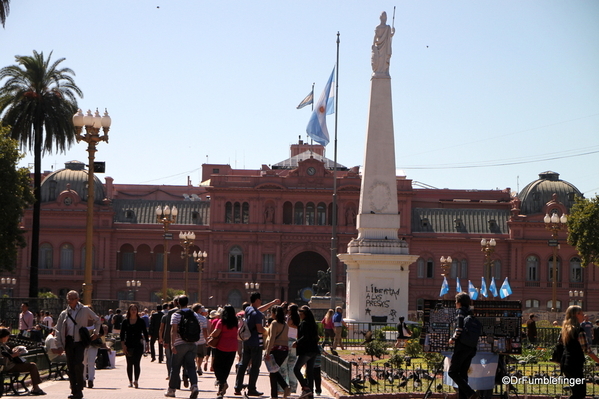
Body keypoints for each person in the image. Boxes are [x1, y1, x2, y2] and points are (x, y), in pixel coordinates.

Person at [55, 290, 102, 399]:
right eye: (69, 299)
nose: (70, 301)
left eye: (73, 298)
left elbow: (97, 320)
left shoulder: (84, 310)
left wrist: (95, 333)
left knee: (78, 365)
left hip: (80, 342)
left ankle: (79, 390)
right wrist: (59, 344)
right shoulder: (64, 313)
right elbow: (58, 329)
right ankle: (73, 390)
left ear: (77, 299)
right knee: (70, 367)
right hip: (69, 342)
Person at [560, 305, 599, 399]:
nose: (583, 315)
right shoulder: (579, 330)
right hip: (575, 364)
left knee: (576, 392)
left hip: (566, 363)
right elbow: (587, 350)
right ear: (576, 315)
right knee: (580, 393)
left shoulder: (565, 329)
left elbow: (560, 344)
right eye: (581, 314)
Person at [165, 295, 200, 399]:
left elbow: (174, 330)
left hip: (180, 344)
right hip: (192, 344)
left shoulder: (176, 314)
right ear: (188, 302)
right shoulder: (194, 314)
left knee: (175, 367)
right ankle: (194, 386)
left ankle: (171, 390)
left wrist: (173, 344)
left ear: (178, 303)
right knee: (191, 366)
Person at [235, 292, 266, 396]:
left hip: (246, 341)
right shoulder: (257, 315)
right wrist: (266, 331)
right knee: (255, 366)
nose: (261, 302)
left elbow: (259, 310)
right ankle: (252, 388)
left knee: (243, 364)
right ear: (257, 300)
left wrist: (271, 303)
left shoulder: (248, 309)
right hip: (256, 342)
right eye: (260, 300)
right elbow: (259, 329)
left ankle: (238, 387)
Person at [448, 292, 478, 399]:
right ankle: (464, 397)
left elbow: (459, 328)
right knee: (463, 374)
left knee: (452, 372)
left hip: (461, 347)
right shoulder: (470, 313)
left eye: (456, 301)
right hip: (471, 348)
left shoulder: (460, 312)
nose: (455, 304)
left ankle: (470, 392)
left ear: (459, 303)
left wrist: (452, 339)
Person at [0, 327, 46, 395]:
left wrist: (15, 352)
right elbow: (3, 358)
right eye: (7, 336)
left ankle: (36, 386)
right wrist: (13, 355)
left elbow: (9, 353)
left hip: (12, 364)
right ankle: (36, 388)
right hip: (8, 366)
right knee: (32, 366)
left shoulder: (4, 345)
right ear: (3, 337)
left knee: (32, 365)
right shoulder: (1, 346)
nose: (8, 338)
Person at [209, 305, 239, 399]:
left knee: (217, 366)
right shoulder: (236, 322)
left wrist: (210, 336)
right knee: (226, 368)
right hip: (233, 347)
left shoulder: (221, 322)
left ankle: (222, 383)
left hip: (222, 347)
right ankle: (221, 389)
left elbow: (216, 333)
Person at [264, 305, 291, 399]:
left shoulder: (274, 323)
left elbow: (271, 338)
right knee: (275, 371)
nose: (270, 314)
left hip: (275, 350)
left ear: (274, 313)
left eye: (271, 312)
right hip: (284, 350)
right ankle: (285, 387)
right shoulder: (285, 325)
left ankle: (274, 395)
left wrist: (267, 352)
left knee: (273, 373)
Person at [120, 303, 150, 388]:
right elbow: (122, 334)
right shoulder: (125, 321)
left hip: (138, 345)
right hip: (128, 344)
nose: (133, 311)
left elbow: (145, 332)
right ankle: (130, 381)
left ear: (137, 311)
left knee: (137, 363)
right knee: (129, 363)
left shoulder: (141, 321)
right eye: (132, 309)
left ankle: (136, 380)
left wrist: (147, 344)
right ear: (129, 311)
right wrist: (123, 345)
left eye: (135, 309)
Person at [293, 305, 320, 399]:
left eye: (301, 314)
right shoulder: (313, 324)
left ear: (305, 315)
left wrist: (297, 342)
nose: (300, 316)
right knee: (310, 372)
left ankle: (306, 388)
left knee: (296, 369)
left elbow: (305, 336)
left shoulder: (304, 324)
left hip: (306, 350)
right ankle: (310, 393)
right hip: (313, 350)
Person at [279, 303, 300, 395]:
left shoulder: (288, 319)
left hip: (286, 343)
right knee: (292, 366)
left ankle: (283, 387)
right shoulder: (299, 320)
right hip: (295, 343)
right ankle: (293, 387)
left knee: (283, 366)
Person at [371, 11, 395, 76]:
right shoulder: (378, 27)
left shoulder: (388, 28)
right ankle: (380, 72)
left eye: (385, 18)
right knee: (379, 61)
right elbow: (375, 36)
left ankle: (384, 72)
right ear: (380, 18)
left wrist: (392, 32)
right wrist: (373, 45)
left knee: (384, 62)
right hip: (379, 47)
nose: (384, 20)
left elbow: (389, 36)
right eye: (383, 18)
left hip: (385, 48)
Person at [192, 304, 208, 376]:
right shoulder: (203, 318)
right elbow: (204, 330)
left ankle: (196, 364)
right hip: (201, 339)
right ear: (199, 310)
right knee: (200, 355)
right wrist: (206, 339)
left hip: (191, 339)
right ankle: (199, 367)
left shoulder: (190, 317)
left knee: (194, 354)